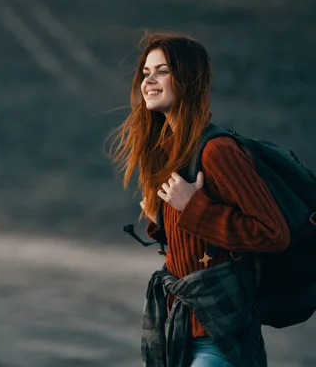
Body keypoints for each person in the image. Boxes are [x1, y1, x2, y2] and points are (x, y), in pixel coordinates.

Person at [107, 32, 290, 366]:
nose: (149, 80)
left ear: (188, 78)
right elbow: (198, 244)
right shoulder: (171, 152)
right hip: (179, 332)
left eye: (161, 71)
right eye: (146, 72)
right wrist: (162, 220)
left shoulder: (218, 151)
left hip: (218, 337)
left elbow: (272, 233)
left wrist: (193, 208)